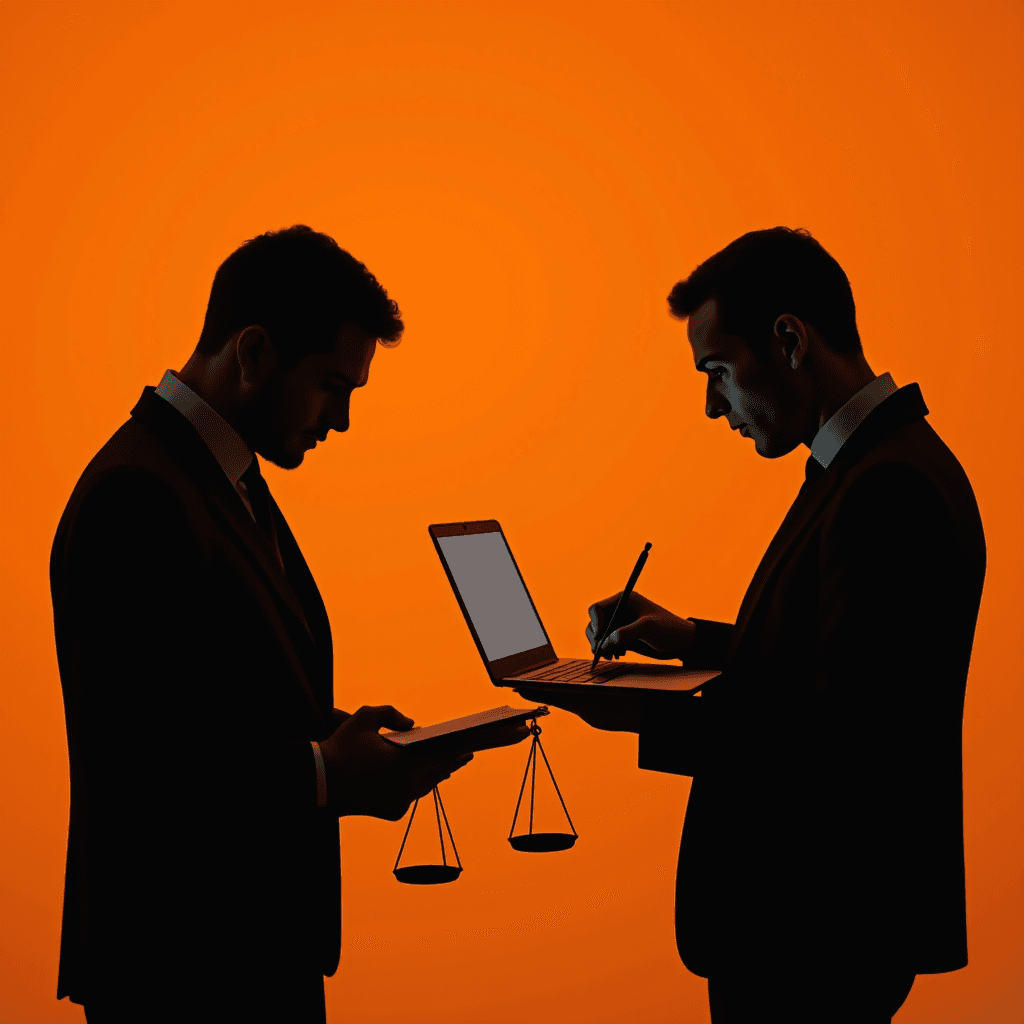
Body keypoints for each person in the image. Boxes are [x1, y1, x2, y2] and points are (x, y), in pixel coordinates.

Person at [50, 225, 527, 1023]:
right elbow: (139, 769)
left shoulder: (221, 478)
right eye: (331, 386)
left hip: (250, 953)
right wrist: (322, 773)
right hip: (182, 968)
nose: (339, 420)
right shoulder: (138, 496)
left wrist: (339, 741)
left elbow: (214, 705)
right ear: (254, 352)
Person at [517, 227, 986, 1023]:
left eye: (719, 372)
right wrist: (693, 639)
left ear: (790, 340)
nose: (711, 404)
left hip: (814, 930)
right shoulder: (874, 464)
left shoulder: (886, 489)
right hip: (821, 927)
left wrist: (640, 712)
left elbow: (842, 740)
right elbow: (840, 661)